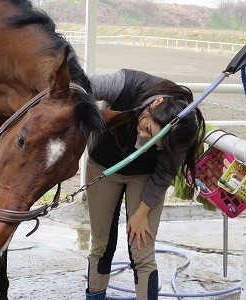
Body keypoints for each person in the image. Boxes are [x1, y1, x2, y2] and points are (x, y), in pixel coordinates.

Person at [85, 69, 205, 300]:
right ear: (156, 103)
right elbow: (80, 86)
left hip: (145, 175)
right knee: (101, 245)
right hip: (103, 165)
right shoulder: (126, 83)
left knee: (142, 252)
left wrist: (142, 212)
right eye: (148, 129)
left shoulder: (180, 132)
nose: (143, 138)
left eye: (155, 143)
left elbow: (164, 175)